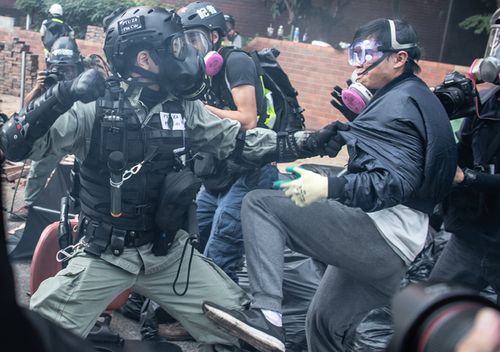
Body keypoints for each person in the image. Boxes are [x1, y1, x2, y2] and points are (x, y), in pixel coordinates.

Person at [0, 6, 326, 350]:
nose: (185, 54)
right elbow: (18, 145)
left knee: (250, 337)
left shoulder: (182, 107)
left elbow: (237, 140)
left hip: (170, 257)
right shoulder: (92, 108)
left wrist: (303, 143)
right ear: (144, 57)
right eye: (175, 46)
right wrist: (62, 95)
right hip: (104, 256)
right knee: (28, 339)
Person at [202, 18, 457, 352]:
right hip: (398, 248)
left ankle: (267, 316)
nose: (360, 62)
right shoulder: (407, 98)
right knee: (322, 325)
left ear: (399, 58)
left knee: (260, 204)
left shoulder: (401, 103)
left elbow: (395, 182)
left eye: (369, 52)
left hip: (384, 237)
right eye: (355, 53)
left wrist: (329, 187)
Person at [179, 1, 278, 283]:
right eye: (183, 40)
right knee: (192, 238)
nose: (189, 47)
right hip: (218, 170)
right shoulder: (197, 73)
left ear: (213, 36)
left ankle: (215, 319)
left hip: (251, 169)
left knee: (221, 248)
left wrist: (200, 111)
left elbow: (248, 119)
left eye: (194, 38)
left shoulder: (237, 62)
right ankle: (184, 312)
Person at [9, 37, 84, 222]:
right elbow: (26, 111)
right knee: (40, 164)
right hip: (56, 137)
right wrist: (38, 88)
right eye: (58, 69)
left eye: (68, 69)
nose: (63, 74)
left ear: (78, 68)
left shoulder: (84, 83)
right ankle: (29, 203)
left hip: (82, 132)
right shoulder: (49, 85)